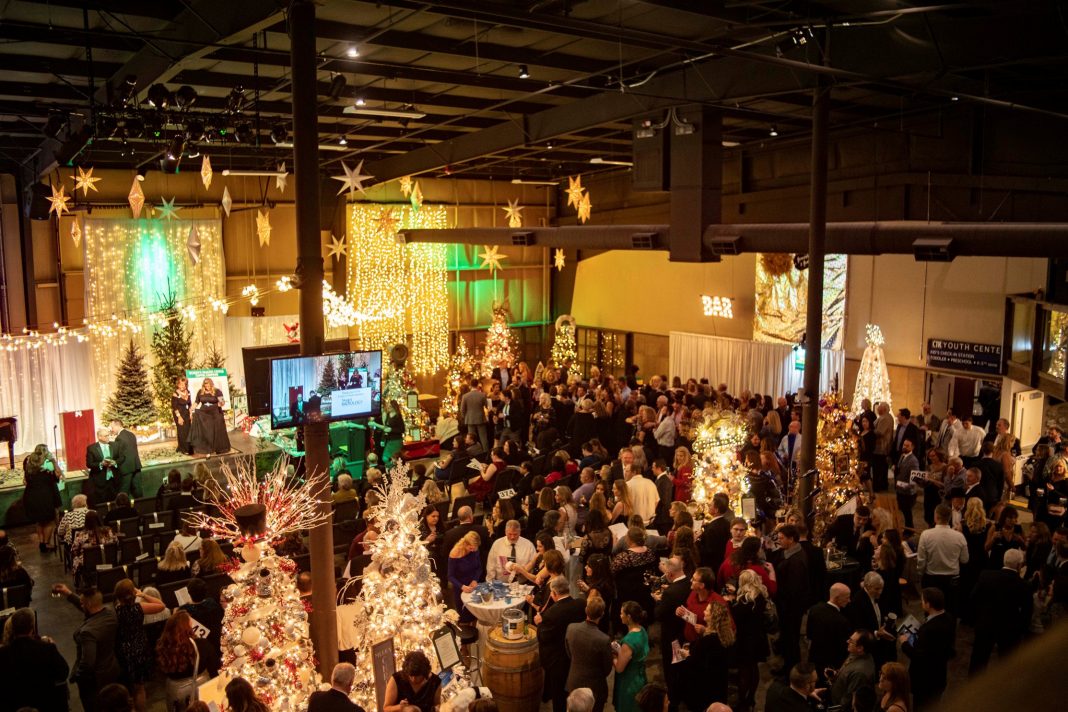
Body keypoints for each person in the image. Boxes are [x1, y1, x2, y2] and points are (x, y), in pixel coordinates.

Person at [53, 583, 120, 712]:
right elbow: (88, 606)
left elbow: (88, 663)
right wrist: (68, 593)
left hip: (93, 681)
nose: (81, 605)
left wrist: (77, 675)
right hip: (111, 670)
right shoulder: (111, 614)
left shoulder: (87, 632)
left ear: (88, 605)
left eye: (82, 604)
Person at [969, 548, 1032, 672]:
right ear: (1020, 565)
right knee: (1007, 663)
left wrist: (978, 618)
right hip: (1009, 628)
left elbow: (973, 598)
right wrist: (1021, 630)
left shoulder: (986, 575)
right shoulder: (1023, 585)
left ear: (1004, 561)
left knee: (978, 660)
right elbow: (1027, 612)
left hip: (985, 624)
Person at [0, 607, 70, 712]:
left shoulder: (2, 653)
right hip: (44, 705)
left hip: (14, 706)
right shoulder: (47, 648)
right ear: (32, 627)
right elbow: (63, 673)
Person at [112, 579, 164, 712]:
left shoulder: (115, 612)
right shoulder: (138, 608)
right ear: (133, 593)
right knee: (140, 689)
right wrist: (143, 594)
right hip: (140, 649)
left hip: (124, 652)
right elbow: (161, 605)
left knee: (127, 689)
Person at [900, 587, 956, 709]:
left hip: (924, 681)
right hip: (939, 675)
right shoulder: (949, 618)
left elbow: (918, 656)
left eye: (922, 600)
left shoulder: (930, 630)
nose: (921, 603)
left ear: (928, 604)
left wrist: (904, 643)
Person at [537, 576, 587, 712]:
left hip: (557, 659)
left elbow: (543, 637)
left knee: (559, 695)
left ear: (554, 593)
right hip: (576, 655)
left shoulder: (551, 614)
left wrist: (539, 624)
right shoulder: (581, 604)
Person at [729, 569, 772, 712]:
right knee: (754, 669)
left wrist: (730, 602)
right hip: (758, 638)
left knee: (744, 671)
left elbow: (735, 619)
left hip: (745, 641)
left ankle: (743, 702)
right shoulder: (760, 595)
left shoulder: (743, 601)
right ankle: (751, 697)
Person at [652, 556, 691, 712]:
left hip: (672, 635)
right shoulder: (689, 583)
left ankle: (673, 699)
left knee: (672, 668)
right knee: (683, 664)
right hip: (686, 633)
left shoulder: (670, 593)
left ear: (670, 575)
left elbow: (659, 615)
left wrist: (658, 601)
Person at [916, 504, 969, 612]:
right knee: (951, 610)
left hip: (932, 578)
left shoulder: (926, 535)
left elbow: (921, 560)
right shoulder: (959, 536)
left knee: (930, 610)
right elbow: (965, 559)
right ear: (950, 518)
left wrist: (920, 573)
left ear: (936, 517)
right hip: (952, 580)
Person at [565, 596, 614, 712]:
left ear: (586, 610)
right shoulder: (603, 639)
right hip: (595, 687)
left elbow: (569, 653)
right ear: (602, 614)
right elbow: (607, 669)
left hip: (574, 680)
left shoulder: (571, 628)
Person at [158, 612, 212, 712]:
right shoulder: (202, 644)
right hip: (201, 689)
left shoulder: (163, 648)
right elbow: (215, 666)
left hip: (175, 694)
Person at [806, 583, 853, 684]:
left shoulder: (814, 609)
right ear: (837, 598)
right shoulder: (842, 621)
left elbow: (809, 635)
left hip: (814, 658)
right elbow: (844, 649)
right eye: (847, 598)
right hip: (831, 665)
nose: (849, 601)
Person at [22, 443, 63, 552]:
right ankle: (46, 543)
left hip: (31, 496)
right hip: (45, 497)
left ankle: (41, 543)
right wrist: (54, 461)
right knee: (49, 521)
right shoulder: (47, 468)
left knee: (40, 522)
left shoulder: (29, 466)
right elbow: (59, 474)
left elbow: (25, 481)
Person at [179, 577, 224, 673]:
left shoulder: (184, 611)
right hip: (216, 644)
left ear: (189, 593)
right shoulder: (213, 604)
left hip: (197, 649)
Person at [612, 601, 649, 712]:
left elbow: (619, 668)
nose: (620, 615)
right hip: (640, 677)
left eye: (621, 613)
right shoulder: (642, 630)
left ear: (628, 617)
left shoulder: (629, 642)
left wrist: (613, 656)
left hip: (629, 682)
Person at [827, 630, 875, 708]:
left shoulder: (859, 673)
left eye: (851, 641)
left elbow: (848, 701)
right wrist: (836, 675)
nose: (847, 641)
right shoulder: (856, 653)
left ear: (860, 648)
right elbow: (848, 673)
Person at [71, 511, 117, 587]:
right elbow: (116, 543)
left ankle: (79, 583)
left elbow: (74, 550)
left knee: (76, 558)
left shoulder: (81, 534)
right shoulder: (109, 531)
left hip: (89, 564)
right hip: (107, 559)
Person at [189, 378, 231, 455]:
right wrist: (191, 409)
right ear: (203, 385)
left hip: (215, 412)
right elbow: (196, 402)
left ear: (211, 384)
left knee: (216, 430)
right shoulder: (200, 392)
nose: (207, 386)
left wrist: (221, 403)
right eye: (206, 385)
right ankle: (207, 448)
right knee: (206, 431)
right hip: (204, 413)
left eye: (209, 385)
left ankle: (218, 448)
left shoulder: (217, 391)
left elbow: (222, 402)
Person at [448, 531, 482, 623]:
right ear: (465, 544)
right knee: (464, 618)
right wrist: (462, 586)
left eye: (475, 548)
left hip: (473, 587)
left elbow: (479, 568)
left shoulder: (475, 550)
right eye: (471, 548)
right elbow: (450, 576)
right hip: (459, 588)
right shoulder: (455, 553)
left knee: (477, 615)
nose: (473, 550)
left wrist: (475, 580)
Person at [109, 419, 142, 498]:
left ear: (118, 425)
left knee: (124, 492)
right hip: (136, 466)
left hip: (126, 468)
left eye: (112, 427)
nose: (111, 429)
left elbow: (120, 454)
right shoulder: (131, 434)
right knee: (138, 491)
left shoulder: (119, 438)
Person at [85, 428, 119, 505]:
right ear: (99, 437)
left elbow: (122, 457)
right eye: (106, 436)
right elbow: (89, 464)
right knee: (102, 504)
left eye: (108, 435)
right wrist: (101, 464)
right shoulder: (91, 448)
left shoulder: (115, 445)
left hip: (114, 480)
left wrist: (115, 462)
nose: (108, 437)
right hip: (100, 481)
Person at [461, 380, 490, 453]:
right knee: (483, 437)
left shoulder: (465, 396)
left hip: (470, 419)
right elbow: (487, 406)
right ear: (477, 385)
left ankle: (473, 453)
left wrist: (465, 417)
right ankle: (486, 453)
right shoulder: (482, 395)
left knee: (471, 438)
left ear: (470, 385)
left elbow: (462, 409)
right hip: (480, 418)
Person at [172, 375, 192, 455]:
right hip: (178, 414)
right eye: (180, 384)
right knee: (182, 431)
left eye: (184, 384)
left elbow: (189, 404)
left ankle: (188, 447)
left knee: (188, 430)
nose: (182, 386)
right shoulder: (175, 393)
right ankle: (183, 448)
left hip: (186, 413)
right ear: (178, 384)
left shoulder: (188, 392)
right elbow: (174, 407)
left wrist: (190, 414)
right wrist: (179, 417)